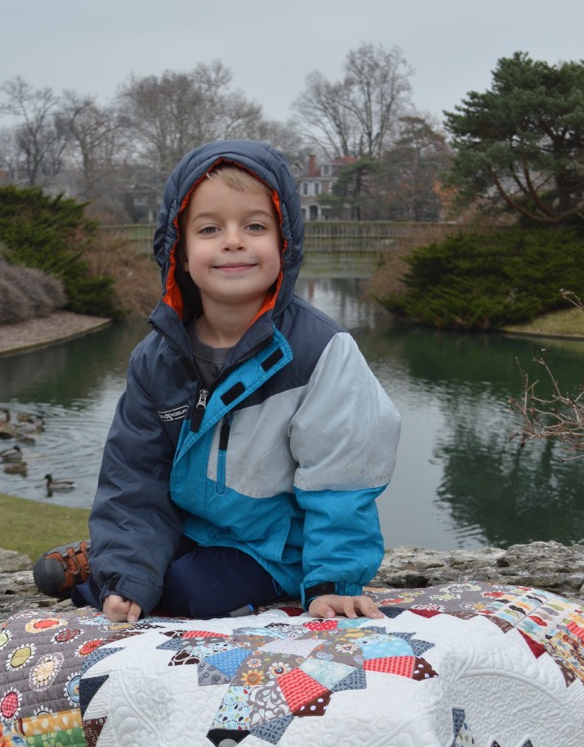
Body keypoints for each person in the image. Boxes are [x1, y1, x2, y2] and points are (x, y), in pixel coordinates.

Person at [34, 139, 401, 624]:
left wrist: (332, 581)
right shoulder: (155, 358)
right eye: (209, 229)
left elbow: (344, 478)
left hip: (276, 545)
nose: (233, 241)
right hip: (191, 527)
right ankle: (115, 561)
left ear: (285, 243)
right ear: (180, 253)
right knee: (118, 584)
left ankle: (103, 565)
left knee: (194, 593)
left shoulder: (322, 352)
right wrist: (128, 574)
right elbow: (135, 475)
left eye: (255, 226)